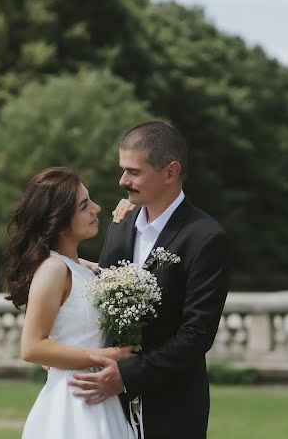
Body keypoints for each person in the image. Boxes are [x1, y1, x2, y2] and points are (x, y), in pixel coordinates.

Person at [68, 121, 231, 439]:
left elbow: (197, 334)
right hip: (106, 404)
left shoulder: (206, 237)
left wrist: (127, 375)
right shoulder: (120, 223)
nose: (122, 181)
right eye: (123, 169)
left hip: (172, 408)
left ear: (171, 172)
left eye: (134, 172)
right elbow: (99, 303)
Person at [2, 167, 134, 439]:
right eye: (84, 205)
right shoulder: (53, 269)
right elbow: (32, 347)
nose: (96, 208)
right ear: (60, 221)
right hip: (72, 402)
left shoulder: (83, 269)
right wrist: (112, 356)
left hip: (101, 396)